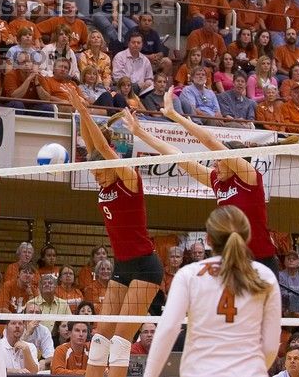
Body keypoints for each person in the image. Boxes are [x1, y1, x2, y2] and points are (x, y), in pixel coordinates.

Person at [65, 89, 163, 377]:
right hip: (122, 265)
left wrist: (85, 111)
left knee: (121, 338)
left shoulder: (129, 180)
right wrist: (80, 112)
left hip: (146, 266)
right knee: (101, 334)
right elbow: (94, 147)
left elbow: (105, 151)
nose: (96, 175)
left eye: (99, 170)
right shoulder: (105, 183)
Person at [127, 87, 279, 273]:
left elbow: (210, 141)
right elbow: (176, 155)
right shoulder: (217, 180)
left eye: (219, 160)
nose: (215, 164)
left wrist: (175, 115)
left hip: (261, 261)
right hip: (233, 262)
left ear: (233, 160)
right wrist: (140, 132)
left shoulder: (248, 177)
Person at [143, 206, 281, 377]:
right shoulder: (265, 276)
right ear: (247, 237)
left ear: (208, 239)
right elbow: (271, 346)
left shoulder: (189, 274)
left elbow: (168, 330)